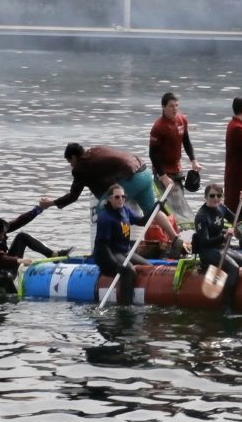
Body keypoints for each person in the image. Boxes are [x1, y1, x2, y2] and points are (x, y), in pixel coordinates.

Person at [51, 142, 180, 246]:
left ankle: (112, 247)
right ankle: (176, 239)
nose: (71, 166)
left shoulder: (80, 167)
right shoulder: (96, 150)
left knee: (102, 207)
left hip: (132, 178)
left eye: (70, 162)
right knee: (153, 212)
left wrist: (51, 203)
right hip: (144, 172)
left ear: (73, 157)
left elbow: (73, 196)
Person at [0, 199, 72, 289]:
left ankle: (53, 255)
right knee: (6, 277)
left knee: (22, 236)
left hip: (9, 264)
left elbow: (19, 221)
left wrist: (39, 208)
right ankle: (15, 301)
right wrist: (19, 260)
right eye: (2, 232)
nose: (4, 233)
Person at [193, 185, 242, 308]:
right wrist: (224, 236)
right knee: (234, 268)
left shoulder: (221, 208)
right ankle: (226, 303)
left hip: (221, 247)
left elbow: (238, 222)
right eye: (212, 196)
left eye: (219, 195)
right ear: (205, 197)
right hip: (207, 251)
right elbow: (204, 242)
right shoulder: (201, 216)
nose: (215, 198)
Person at [93, 184, 152, 305]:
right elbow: (103, 246)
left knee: (148, 267)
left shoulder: (125, 210)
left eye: (123, 197)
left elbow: (141, 221)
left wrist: (155, 208)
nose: (121, 199)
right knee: (128, 271)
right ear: (110, 199)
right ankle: (125, 304)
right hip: (108, 254)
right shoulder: (105, 218)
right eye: (117, 197)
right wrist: (115, 265)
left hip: (125, 252)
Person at [149, 91, 201, 224]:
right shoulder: (158, 127)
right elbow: (152, 154)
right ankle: (169, 234)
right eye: (171, 106)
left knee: (180, 203)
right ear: (163, 107)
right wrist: (163, 176)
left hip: (177, 169)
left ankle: (182, 231)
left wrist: (193, 160)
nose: (175, 108)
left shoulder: (182, 120)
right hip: (163, 171)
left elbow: (187, 141)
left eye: (177, 105)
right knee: (168, 206)